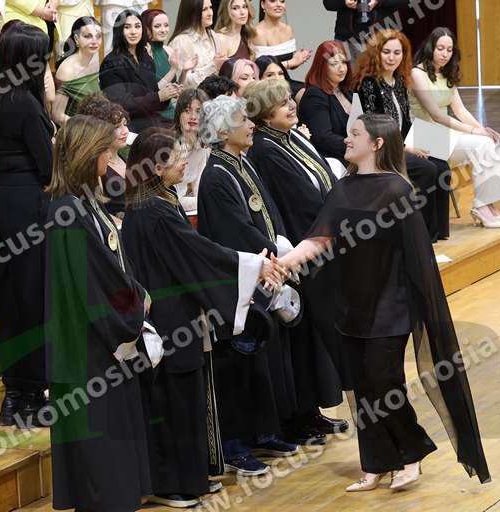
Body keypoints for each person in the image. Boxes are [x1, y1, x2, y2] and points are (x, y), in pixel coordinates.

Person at [278, 112, 491, 491]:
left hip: (391, 304)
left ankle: (412, 451)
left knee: (383, 382)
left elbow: (418, 255)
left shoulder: (397, 190)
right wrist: (283, 263)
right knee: (362, 386)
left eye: (355, 134)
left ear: (376, 144)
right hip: (353, 303)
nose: (346, 139)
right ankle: (376, 462)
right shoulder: (343, 188)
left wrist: (423, 307)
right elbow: (320, 239)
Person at [121, 127, 285, 508]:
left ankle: (191, 476)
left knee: (187, 398)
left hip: (179, 311)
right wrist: (251, 265)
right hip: (168, 317)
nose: (184, 162)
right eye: (176, 157)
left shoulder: (160, 201)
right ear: (156, 168)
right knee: (172, 400)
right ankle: (170, 483)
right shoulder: (153, 211)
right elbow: (200, 253)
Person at [45, 114, 154, 512]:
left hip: (102, 345)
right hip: (88, 351)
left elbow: (113, 267)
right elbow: (91, 285)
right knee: (101, 471)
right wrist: (133, 313)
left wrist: (136, 296)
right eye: (106, 151)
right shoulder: (66, 213)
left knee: (116, 461)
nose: (110, 159)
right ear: (87, 154)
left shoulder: (86, 203)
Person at [197, 95, 300, 476]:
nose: (252, 124)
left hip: (262, 272)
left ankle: (262, 431)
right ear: (223, 131)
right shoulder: (216, 176)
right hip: (237, 282)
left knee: (259, 361)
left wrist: (280, 249)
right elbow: (235, 231)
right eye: (243, 119)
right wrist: (273, 257)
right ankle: (235, 444)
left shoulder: (241, 162)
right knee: (236, 365)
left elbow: (267, 213)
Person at [244, 79, 350, 445]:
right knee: (304, 338)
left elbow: (325, 178)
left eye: (290, 99)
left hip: (323, 240)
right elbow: (299, 200)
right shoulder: (264, 148)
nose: (291, 106)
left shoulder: (293, 137)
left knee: (318, 336)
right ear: (263, 115)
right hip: (302, 247)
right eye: (280, 104)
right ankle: (300, 417)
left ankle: (314, 411)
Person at [0, 23, 53, 428]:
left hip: (2, 201)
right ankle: (33, 393)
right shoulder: (26, 104)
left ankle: (14, 396)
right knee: (33, 298)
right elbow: (47, 166)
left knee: (9, 300)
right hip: (29, 204)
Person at [410, 27, 500, 228]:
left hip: (442, 132)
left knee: (490, 141)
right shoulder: (417, 73)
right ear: (430, 47)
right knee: (481, 145)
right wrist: (474, 131)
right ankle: (482, 206)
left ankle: (487, 203)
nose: (445, 54)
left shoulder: (445, 74)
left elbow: (460, 110)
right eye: (440, 48)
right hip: (422, 135)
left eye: (449, 50)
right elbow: (436, 115)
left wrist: (482, 129)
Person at [352, 29, 450, 241]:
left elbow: (404, 121)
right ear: (377, 53)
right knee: (427, 169)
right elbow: (375, 127)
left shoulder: (399, 80)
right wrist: (408, 148)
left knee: (442, 163)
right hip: (381, 148)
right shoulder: (369, 83)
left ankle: (439, 231)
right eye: (386, 52)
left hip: (401, 141)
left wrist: (418, 140)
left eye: (397, 53)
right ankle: (422, 235)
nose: (391, 58)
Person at [100, 9, 180, 133]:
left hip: (151, 119)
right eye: (127, 27)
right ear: (119, 31)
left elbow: (153, 94)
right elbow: (122, 105)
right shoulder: (111, 63)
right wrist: (158, 96)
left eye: (137, 26)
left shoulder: (145, 57)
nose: (133, 32)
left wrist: (168, 93)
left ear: (143, 30)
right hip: (128, 125)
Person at [76, 92, 131, 221]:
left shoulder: (125, 158)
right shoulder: (96, 167)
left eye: (125, 124)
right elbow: (95, 210)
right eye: (117, 127)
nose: (125, 131)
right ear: (99, 131)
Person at [298, 40, 353, 165]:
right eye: (334, 64)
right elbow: (323, 137)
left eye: (344, 62)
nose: (342, 68)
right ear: (322, 66)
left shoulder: (346, 90)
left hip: (351, 155)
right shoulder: (314, 95)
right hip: (332, 161)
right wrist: (357, 146)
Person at [142, 9, 197, 122]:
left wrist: (184, 72)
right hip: (153, 115)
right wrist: (173, 69)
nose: (163, 30)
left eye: (166, 25)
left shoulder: (168, 50)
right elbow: (152, 92)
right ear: (146, 29)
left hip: (171, 112)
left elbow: (175, 89)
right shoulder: (144, 53)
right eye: (157, 26)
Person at [52, 16, 101, 126]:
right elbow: (57, 115)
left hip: (97, 124)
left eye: (98, 36)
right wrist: (88, 127)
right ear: (76, 39)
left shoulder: (94, 60)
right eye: (88, 36)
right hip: (78, 130)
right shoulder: (67, 70)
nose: (94, 41)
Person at [323, 0, 409, 61]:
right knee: (345, 79)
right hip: (346, 39)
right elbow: (328, 3)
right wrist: (344, 1)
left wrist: (378, 1)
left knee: (379, 79)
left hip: (382, 39)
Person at [169, 0, 227, 87]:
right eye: (204, 9)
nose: (210, 13)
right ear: (192, 13)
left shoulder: (213, 35)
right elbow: (182, 84)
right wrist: (213, 66)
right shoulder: (181, 41)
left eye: (210, 7)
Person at [173, 87, 209, 213]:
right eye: (187, 111)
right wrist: (203, 202)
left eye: (199, 112)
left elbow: (198, 181)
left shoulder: (202, 144)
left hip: (189, 204)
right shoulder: (172, 145)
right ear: (179, 114)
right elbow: (172, 199)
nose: (193, 117)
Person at [254, 0, 311, 72]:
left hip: (286, 78)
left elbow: (292, 66)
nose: (279, 5)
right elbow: (261, 69)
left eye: (282, 1)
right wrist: (292, 62)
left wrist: (300, 58)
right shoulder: (257, 33)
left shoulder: (288, 29)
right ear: (262, 4)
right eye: (273, 1)